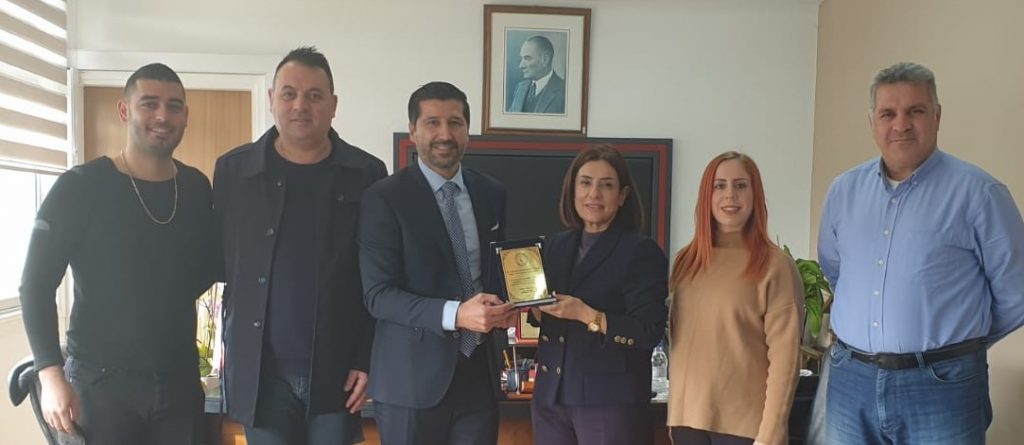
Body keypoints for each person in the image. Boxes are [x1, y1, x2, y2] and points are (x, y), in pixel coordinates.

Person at [818, 61, 1024, 444]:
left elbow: (1016, 293)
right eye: (888, 113)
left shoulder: (980, 194)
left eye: (915, 110)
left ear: (937, 116)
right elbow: (836, 272)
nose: (901, 124)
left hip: (942, 386)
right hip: (851, 381)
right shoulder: (843, 192)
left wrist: (957, 342)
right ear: (872, 122)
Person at [20, 63, 214, 444]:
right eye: (149, 103)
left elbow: (203, 269)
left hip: (177, 384)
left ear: (185, 116)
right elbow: (35, 286)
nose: (162, 115)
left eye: (174, 106)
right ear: (124, 110)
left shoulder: (195, 188)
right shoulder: (79, 187)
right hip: (100, 386)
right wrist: (50, 373)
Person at [213, 46, 386, 445]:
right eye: (289, 94)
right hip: (262, 377)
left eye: (314, 95)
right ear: (271, 99)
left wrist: (367, 358)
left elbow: (377, 277)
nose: (300, 106)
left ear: (333, 105)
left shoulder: (367, 173)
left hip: (337, 374)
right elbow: (220, 263)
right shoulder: (234, 172)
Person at [359, 81, 518, 445]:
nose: (445, 134)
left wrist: (508, 304)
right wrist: (457, 314)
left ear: (468, 130)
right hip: (410, 384)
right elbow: (378, 295)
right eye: (432, 123)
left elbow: (495, 271)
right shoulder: (384, 198)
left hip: (478, 378)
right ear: (413, 130)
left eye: (455, 122)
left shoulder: (492, 193)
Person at [529, 145, 668, 445]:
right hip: (551, 397)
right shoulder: (555, 246)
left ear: (622, 195)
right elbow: (542, 315)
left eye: (606, 185)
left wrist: (587, 314)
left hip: (609, 403)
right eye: (585, 183)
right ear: (573, 190)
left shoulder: (640, 251)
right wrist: (531, 305)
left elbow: (648, 331)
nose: (594, 194)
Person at [667, 151, 803, 445]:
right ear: (707, 195)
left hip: (745, 428)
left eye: (740, 185)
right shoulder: (686, 261)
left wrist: (771, 432)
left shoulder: (775, 265)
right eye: (720, 186)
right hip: (686, 422)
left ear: (755, 195)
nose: (730, 195)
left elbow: (785, 358)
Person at [507, 35, 566, 114]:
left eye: (527, 58)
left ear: (545, 60)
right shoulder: (520, 88)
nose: (520, 66)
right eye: (522, 58)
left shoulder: (564, 91)